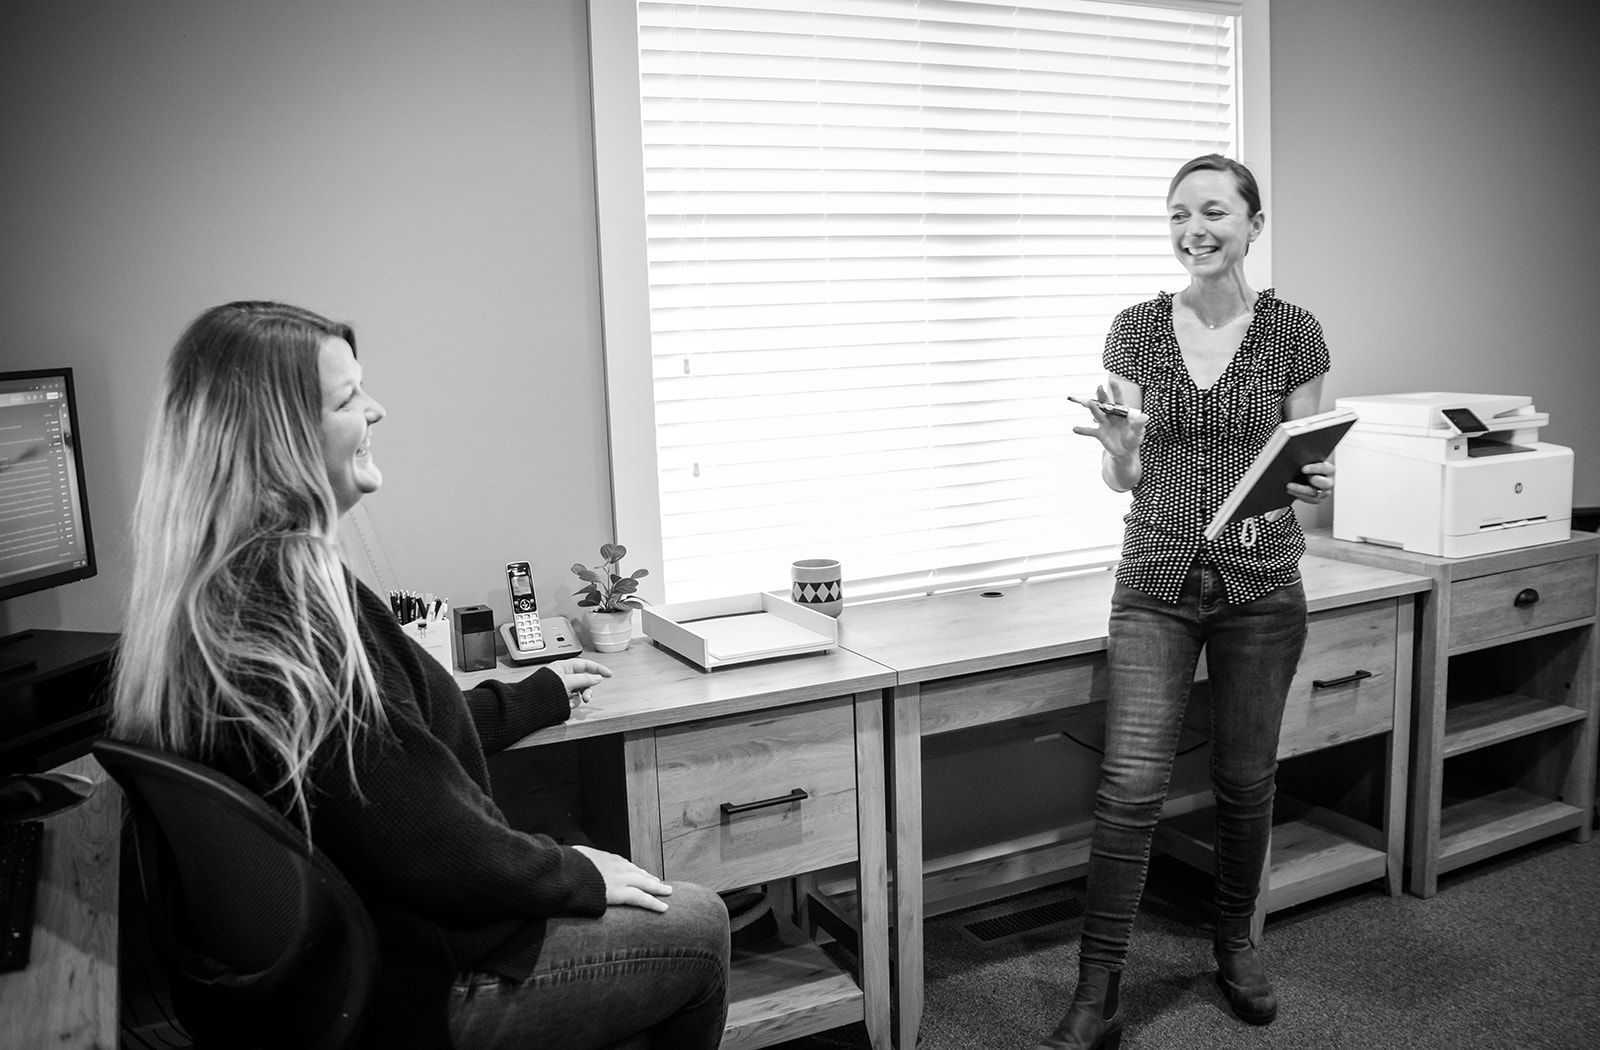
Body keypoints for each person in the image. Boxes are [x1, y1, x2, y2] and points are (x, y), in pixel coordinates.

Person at [111, 301, 731, 1050]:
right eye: (347, 399)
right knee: (698, 925)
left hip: (326, 975)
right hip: (411, 989)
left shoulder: (220, 590)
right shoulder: (294, 617)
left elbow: (389, 747)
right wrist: (575, 873)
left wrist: (536, 695)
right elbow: (436, 847)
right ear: (277, 441)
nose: (377, 409)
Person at [1034, 155, 1335, 1050]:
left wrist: (1316, 476)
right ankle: (1099, 989)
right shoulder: (1133, 331)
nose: (1192, 228)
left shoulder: (1295, 333)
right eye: (1177, 215)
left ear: (1253, 223)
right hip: (1156, 585)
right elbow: (1121, 477)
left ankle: (1234, 946)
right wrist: (1123, 446)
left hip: (1261, 586)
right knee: (1130, 787)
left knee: (1245, 782)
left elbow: (1309, 459)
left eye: (1212, 211)